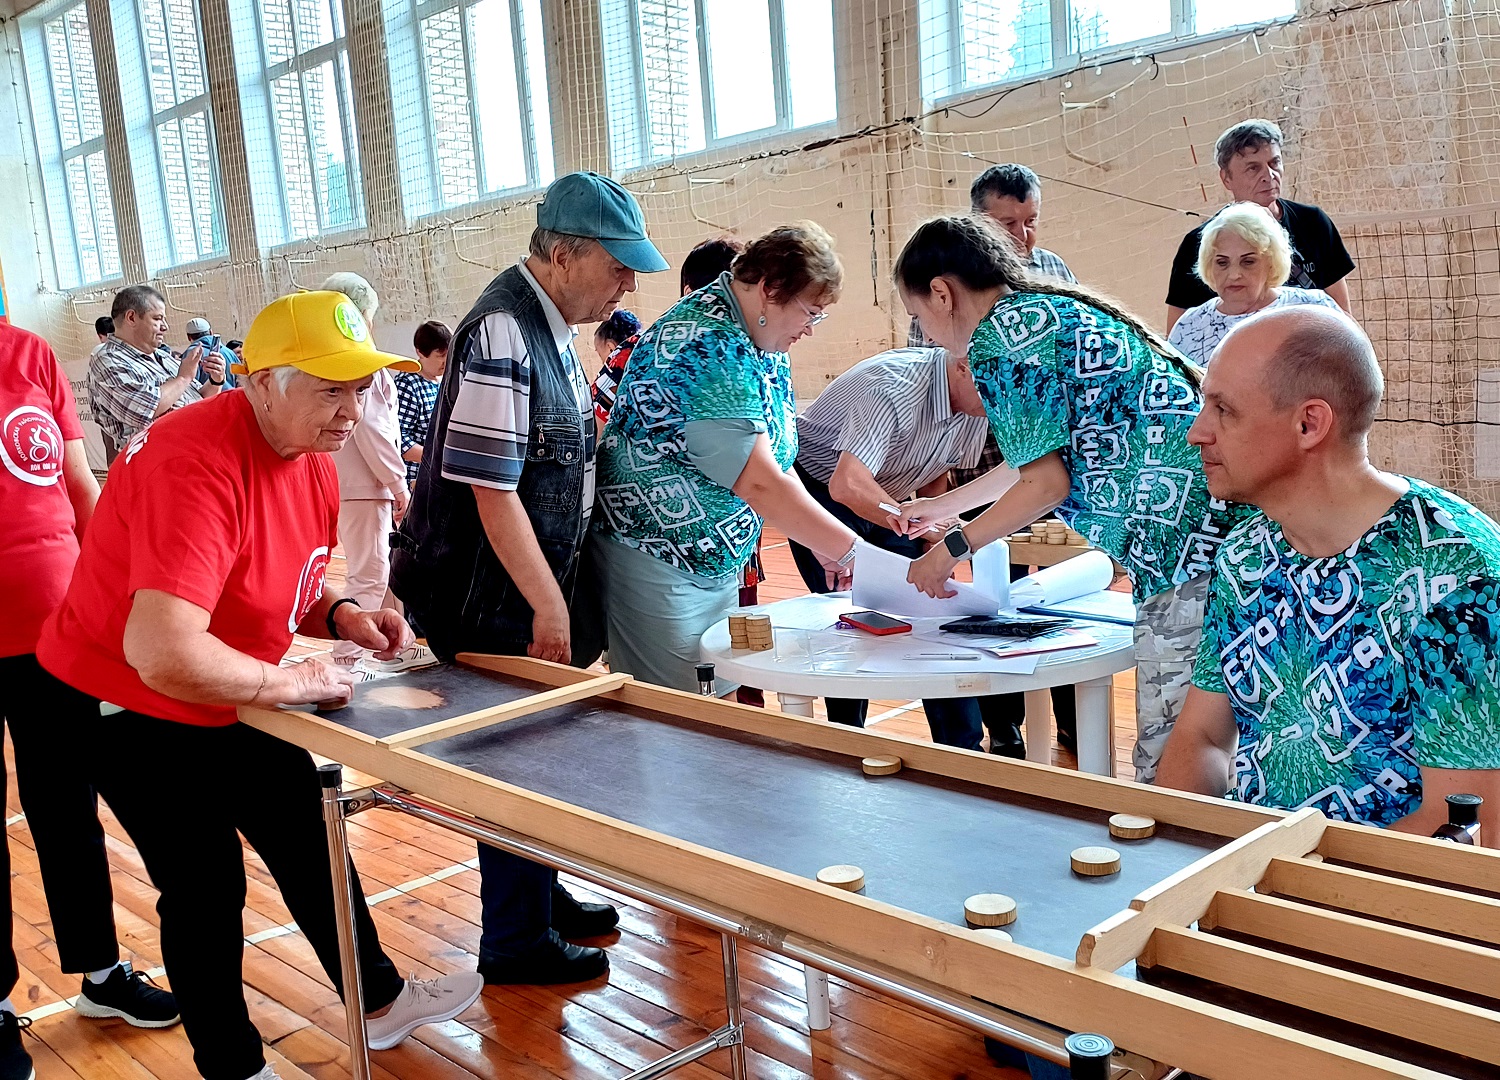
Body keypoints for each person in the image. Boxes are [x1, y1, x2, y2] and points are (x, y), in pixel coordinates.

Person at [33, 290, 484, 1080]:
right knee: (204, 886)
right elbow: (164, 654)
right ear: (261, 382)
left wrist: (342, 613)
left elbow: (280, 585)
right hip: (122, 696)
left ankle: (377, 1002)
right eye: (329, 388)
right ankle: (234, 1066)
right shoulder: (194, 461)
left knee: (308, 832)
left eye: (358, 388)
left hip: (225, 679)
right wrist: (296, 679)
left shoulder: (306, 454)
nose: (350, 410)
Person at [391, 171, 668, 986]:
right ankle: (513, 939)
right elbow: (491, 488)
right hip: (492, 597)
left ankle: (539, 898)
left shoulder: (545, 325)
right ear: (561, 252)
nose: (629, 283)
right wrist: (548, 602)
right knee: (516, 763)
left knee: (543, 755)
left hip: (528, 584)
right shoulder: (505, 330)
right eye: (618, 265)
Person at [893, 216, 1243, 783]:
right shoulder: (1040, 314)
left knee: (1174, 757)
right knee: (1217, 739)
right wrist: (945, 508)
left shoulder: (1001, 339)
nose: (927, 334)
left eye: (920, 317)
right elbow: (1038, 457)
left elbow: (1046, 485)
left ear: (942, 292)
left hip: (1185, 550)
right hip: (1218, 535)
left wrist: (950, 548)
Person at [1157, 307, 1500, 837]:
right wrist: (1169, 860)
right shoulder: (1246, 552)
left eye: (1223, 409)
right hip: (1250, 876)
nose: (1197, 432)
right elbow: (1202, 737)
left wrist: (1280, 888)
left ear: (1309, 423)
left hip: (1374, 903)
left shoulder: (1458, 579)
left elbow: (1463, 826)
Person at [0, 321, 178, 1080]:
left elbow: (79, 489)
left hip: (56, 633)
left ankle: (101, 975)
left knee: (69, 807)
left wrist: (117, 593)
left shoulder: (27, 354)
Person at [594, 221, 860, 694]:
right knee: (677, 717)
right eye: (811, 313)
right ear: (770, 289)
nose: (811, 330)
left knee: (714, 698)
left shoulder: (758, 334)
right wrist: (850, 548)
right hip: (660, 558)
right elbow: (756, 479)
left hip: (713, 560)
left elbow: (774, 462)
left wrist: (820, 539)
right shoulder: (709, 340)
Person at [790, 346, 1006, 749]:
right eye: (994, 387)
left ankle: (963, 750)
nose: (1004, 397)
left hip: (895, 497)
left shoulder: (978, 401)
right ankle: (846, 740)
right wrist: (928, 526)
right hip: (822, 493)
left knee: (935, 613)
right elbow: (846, 486)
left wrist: (935, 541)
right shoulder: (891, 387)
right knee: (849, 616)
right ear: (963, 368)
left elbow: (937, 470)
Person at [320, 273, 427, 672]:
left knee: (380, 572)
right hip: (364, 484)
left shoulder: (330, 360)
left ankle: (392, 646)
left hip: (346, 481)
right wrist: (398, 483)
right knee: (369, 572)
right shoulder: (361, 362)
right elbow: (373, 429)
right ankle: (348, 658)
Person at [1166, 119, 1355, 332]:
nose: (1268, 176)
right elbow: (1177, 339)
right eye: (1253, 168)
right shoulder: (1199, 243)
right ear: (1226, 178)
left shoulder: (1313, 223)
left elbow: (1343, 317)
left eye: (1274, 163)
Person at [591, 237, 744, 433]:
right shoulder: (632, 354)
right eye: (726, 299)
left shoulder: (748, 357)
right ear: (692, 295)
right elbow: (594, 434)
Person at [1167, 202, 1341, 365]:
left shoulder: (1315, 309)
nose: (1234, 275)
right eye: (1222, 262)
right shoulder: (1188, 328)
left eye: (1248, 261)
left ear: (1272, 262)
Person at [89, 285, 225, 460]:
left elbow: (199, 401)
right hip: (158, 466)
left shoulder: (163, 356)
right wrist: (184, 377)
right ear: (131, 317)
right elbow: (144, 409)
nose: (165, 327)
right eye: (157, 319)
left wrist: (215, 380)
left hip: (196, 457)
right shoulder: (107, 360)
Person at [396, 319, 450, 489]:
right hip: (417, 479)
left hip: (440, 474)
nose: (446, 361)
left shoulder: (442, 381)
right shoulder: (408, 383)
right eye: (440, 355)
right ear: (420, 352)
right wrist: (436, 457)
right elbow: (398, 438)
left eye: (448, 354)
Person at [184, 316, 239, 388]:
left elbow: (189, 385)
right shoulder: (230, 353)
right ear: (211, 332)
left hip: (209, 398)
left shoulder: (191, 354)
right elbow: (241, 380)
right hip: (232, 397)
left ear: (189, 337)